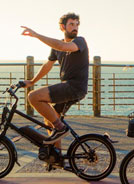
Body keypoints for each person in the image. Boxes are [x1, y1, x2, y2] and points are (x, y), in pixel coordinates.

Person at [21, 12, 89, 147]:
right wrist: (33, 81)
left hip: (74, 87)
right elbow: (48, 65)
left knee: (33, 97)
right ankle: (56, 155)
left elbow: (63, 47)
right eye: (71, 24)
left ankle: (61, 128)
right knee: (50, 119)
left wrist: (37, 35)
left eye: (76, 24)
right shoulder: (57, 47)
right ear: (63, 27)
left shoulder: (79, 41)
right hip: (69, 87)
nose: (75, 27)